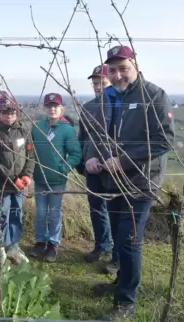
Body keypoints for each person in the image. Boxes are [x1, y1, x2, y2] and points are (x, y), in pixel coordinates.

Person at [84, 45, 175, 319]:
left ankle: (126, 302)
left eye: (123, 68)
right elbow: (102, 136)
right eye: (112, 70)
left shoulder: (154, 95)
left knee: (129, 241)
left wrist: (123, 160)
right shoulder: (113, 97)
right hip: (115, 181)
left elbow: (165, 139)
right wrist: (96, 158)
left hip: (141, 182)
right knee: (119, 236)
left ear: (135, 65)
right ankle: (120, 283)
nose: (118, 74)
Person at [29, 93, 82, 262]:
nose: (52, 109)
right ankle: (40, 242)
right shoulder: (37, 127)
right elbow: (30, 150)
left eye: (55, 106)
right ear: (44, 109)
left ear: (61, 109)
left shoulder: (67, 130)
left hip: (57, 180)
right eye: (49, 106)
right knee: (40, 212)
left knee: (54, 213)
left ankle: (53, 244)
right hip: (39, 179)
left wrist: (63, 168)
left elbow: (75, 153)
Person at [80, 65, 119, 274]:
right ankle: (101, 246)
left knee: (116, 212)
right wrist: (83, 162)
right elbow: (83, 137)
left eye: (101, 82)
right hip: (91, 167)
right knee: (96, 209)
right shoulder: (87, 108)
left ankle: (117, 256)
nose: (97, 87)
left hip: (114, 168)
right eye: (95, 83)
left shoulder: (120, 105)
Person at [0, 96, 35, 264]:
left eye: (12, 112)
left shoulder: (24, 130)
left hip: (20, 185)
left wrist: (26, 175)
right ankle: (0, 250)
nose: (9, 115)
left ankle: (13, 247)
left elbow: (31, 155)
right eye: (4, 112)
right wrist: (13, 179)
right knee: (2, 216)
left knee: (17, 215)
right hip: (1, 185)